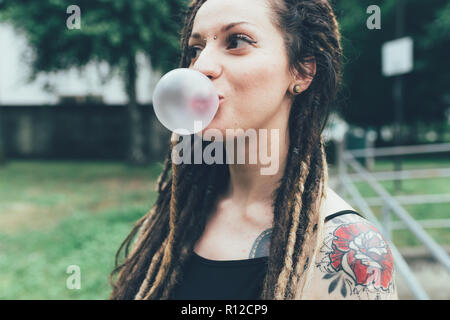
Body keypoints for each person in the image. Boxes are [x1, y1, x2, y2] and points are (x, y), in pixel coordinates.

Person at [109, 0, 397, 300]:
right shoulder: (174, 216)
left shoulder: (352, 253)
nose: (201, 66)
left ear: (301, 72)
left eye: (237, 41)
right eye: (196, 49)